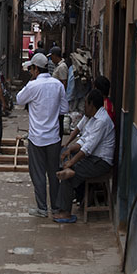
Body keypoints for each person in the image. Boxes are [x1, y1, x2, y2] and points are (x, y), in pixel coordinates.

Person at [16, 52, 68, 218]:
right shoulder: (57, 85)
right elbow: (64, 109)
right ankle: (55, 207)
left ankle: (42, 208)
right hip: (53, 137)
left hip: (37, 138)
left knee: (37, 173)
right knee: (53, 173)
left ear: (35, 69)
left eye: (31, 68)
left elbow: (19, 99)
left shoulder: (33, 86)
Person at [54, 88, 116, 224]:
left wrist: (72, 163)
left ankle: (65, 212)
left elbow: (88, 148)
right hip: (93, 158)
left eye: (86, 104)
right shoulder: (93, 119)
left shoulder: (101, 121)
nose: (84, 107)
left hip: (101, 162)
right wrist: (70, 150)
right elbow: (84, 140)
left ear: (91, 105)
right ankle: (73, 198)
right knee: (66, 160)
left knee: (69, 174)